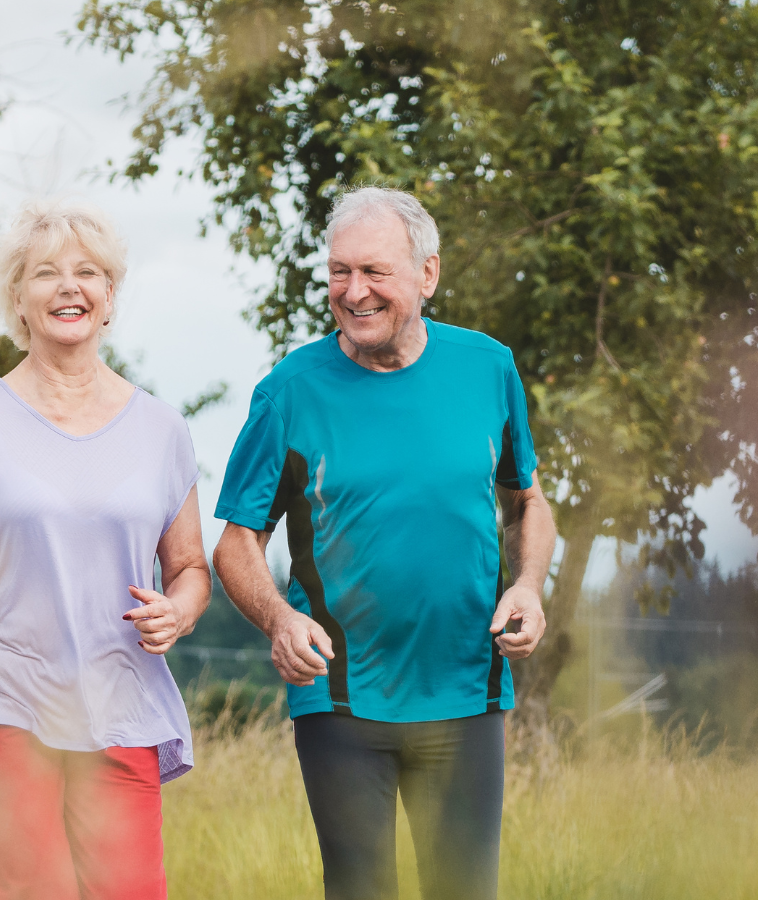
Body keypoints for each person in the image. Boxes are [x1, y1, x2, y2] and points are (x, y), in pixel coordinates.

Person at [212, 186, 554, 900]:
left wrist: (528, 587)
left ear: (426, 275)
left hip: (466, 688)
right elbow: (237, 541)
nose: (353, 291)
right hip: (339, 695)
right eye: (339, 272)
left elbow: (526, 502)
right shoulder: (289, 391)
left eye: (374, 272)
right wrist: (279, 619)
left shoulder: (489, 368)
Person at [0, 199, 208, 900]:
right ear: (18, 302)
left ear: (109, 297)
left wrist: (177, 614)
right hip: (6, 694)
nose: (69, 286)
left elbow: (189, 569)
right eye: (45, 274)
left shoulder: (161, 429)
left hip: (120, 698)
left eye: (88, 272)